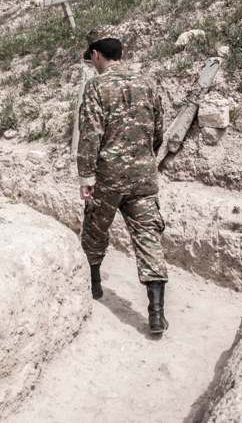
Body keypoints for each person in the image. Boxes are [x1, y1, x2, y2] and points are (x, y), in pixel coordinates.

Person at [77, 26, 169, 334]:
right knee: (149, 238)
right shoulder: (149, 83)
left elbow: (90, 134)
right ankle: (156, 314)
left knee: (94, 230)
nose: (92, 63)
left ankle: (94, 286)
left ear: (97, 55)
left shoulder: (96, 87)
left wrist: (86, 176)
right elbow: (158, 131)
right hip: (143, 176)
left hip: (108, 177)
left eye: (92, 58)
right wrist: (144, 158)